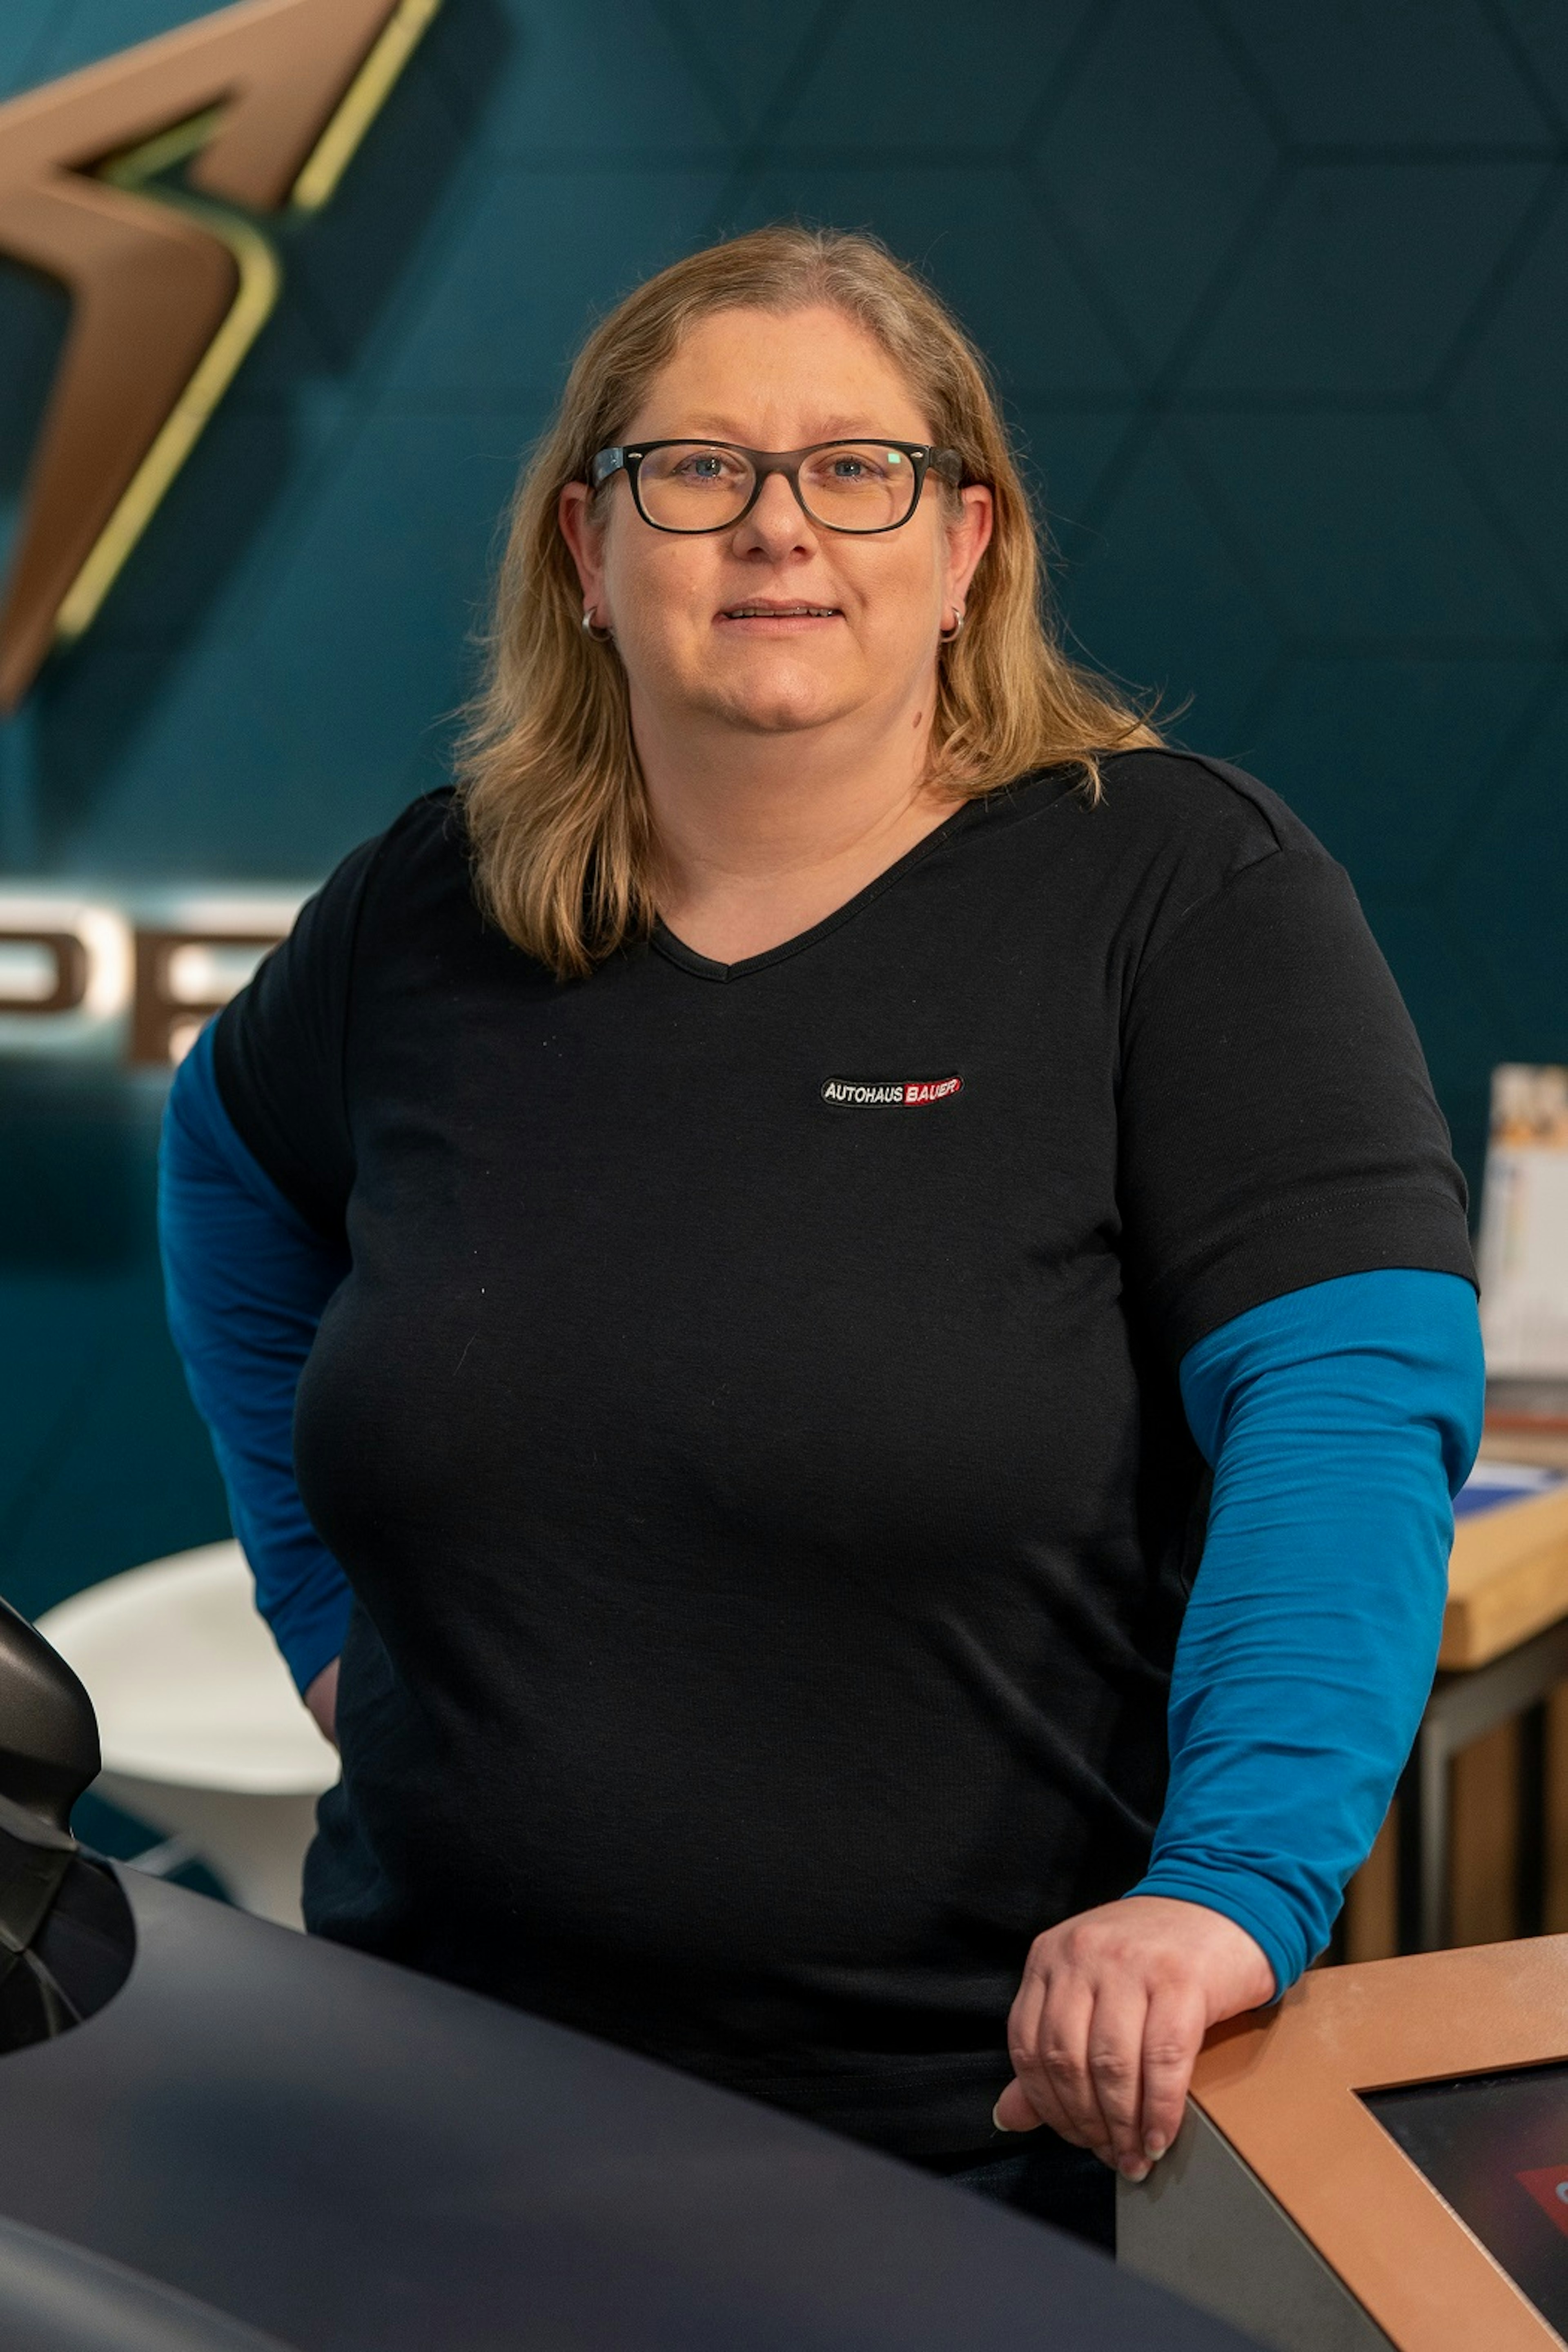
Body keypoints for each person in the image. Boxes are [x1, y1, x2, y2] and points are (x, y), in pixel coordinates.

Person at [160, 226, 1481, 2247]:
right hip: (431, 2111)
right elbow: (227, 1172)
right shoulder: (426, 912)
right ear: (587, 551)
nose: (778, 527)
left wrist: (1230, 1888)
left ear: (965, 548)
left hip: (974, 2154)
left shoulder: (1177, 893)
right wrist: (328, 1617)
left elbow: (1350, 1401)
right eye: (697, 469)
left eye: (856, 469)